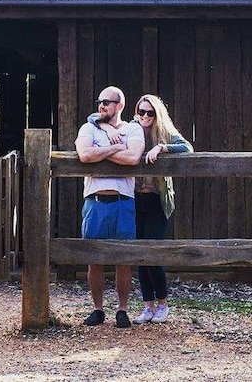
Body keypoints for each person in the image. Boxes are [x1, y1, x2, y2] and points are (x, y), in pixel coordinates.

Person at [87, 94, 193, 324]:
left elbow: (187, 148)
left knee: (152, 251)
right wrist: (105, 124)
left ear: (157, 114)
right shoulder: (131, 129)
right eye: (141, 112)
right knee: (137, 254)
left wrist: (163, 148)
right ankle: (148, 306)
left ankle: (162, 302)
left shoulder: (164, 132)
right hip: (135, 199)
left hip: (156, 199)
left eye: (150, 113)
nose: (145, 116)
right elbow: (94, 116)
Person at [75, 86, 145, 328]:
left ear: (120, 106)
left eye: (107, 102)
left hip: (122, 202)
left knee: (122, 259)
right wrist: (116, 148)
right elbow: (84, 155)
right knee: (94, 259)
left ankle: (122, 309)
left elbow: (133, 158)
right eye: (99, 101)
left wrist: (100, 153)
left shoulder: (132, 128)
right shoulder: (88, 128)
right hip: (95, 202)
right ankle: (97, 309)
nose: (101, 105)